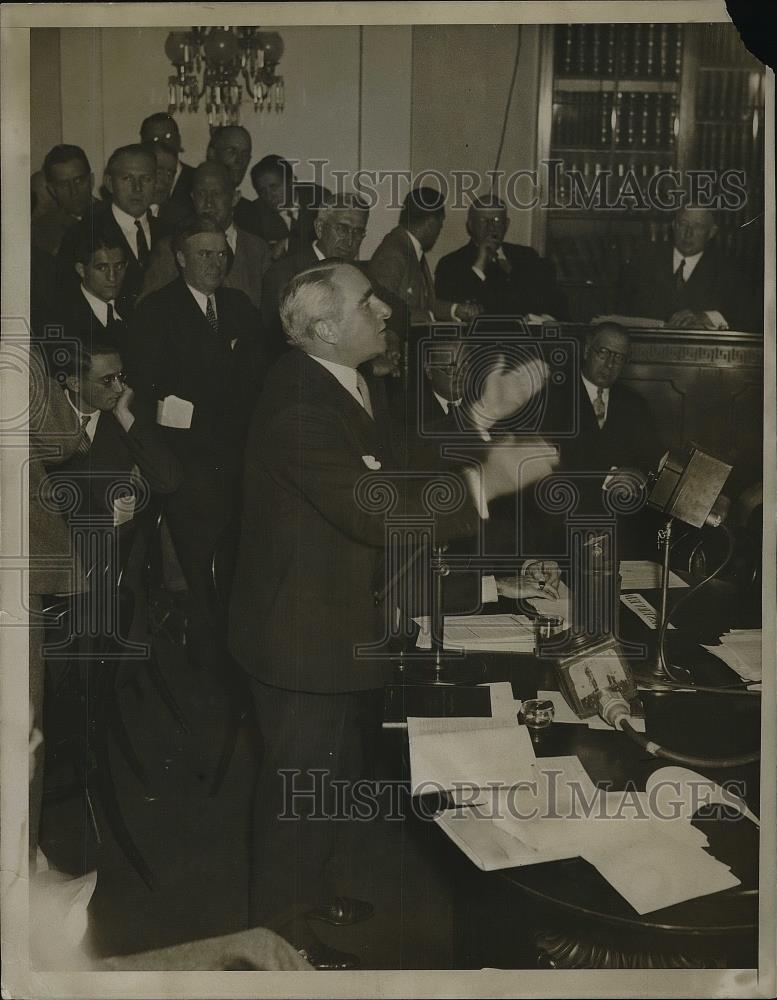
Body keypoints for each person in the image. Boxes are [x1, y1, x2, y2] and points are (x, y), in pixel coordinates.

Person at [228, 261, 556, 967]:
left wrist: (478, 417)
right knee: (299, 793)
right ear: (321, 327)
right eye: (366, 302)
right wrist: (481, 485)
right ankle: (275, 947)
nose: (385, 311)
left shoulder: (345, 383)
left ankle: (308, 895)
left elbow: (400, 461)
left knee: (332, 774)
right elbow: (371, 509)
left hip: (340, 622)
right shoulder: (297, 406)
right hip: (300, 636)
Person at [127, 218, 266, 669]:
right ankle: (211, 665)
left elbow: (255, 379)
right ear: (180, 258)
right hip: (187, 465)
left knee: (240, 563)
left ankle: (237, 654)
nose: (215, 262)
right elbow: (149, 394)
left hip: (238, 459)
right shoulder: (156, 311)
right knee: (201, 566)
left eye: (222, 253)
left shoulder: (240, 306)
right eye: (204, 254)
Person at [139, 161, 271, 310]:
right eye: (201, 194)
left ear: (235, 197)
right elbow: (147, 308)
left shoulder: (257, 249)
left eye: (216, 194)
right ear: (192, 198)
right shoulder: (170, 248)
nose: (209, 203)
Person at [260, 191, 373, 355]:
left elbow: (394, 307)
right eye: (342, 229)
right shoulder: (285, 274)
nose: (349, 241)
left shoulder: (359, 273)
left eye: (357, 232)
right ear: (319, 228)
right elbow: (278, 345)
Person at [620, 205, 761, 333]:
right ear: (674, 226)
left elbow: (749, 319)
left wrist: (707, 317)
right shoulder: (643, 260)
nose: (688, 233)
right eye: (683, 224)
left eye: (698, 226)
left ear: (712, 232)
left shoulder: (730, 270)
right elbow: (620, 308)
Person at [58, 144, 159, 319]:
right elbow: (67, 300)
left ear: (156, 183)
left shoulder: (171, 231)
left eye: (146, 179)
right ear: (110, 183)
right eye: (127, 178)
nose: (137, 188)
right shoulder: (82, 233)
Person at [434, 195, 567, 320]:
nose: (491, 227)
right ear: (470, 225)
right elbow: (457, 309)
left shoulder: (527, 256)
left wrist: (548, 318)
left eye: (497, 220)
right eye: (483, 220)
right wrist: (479, 265)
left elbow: (553, 301)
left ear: (507, 224)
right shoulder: (451, 264)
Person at [368, 188, 482, 327]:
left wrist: (455, 310)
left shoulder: (409, 247)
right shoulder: (393, 253)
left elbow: (424, 301)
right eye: (440, 225)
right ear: (431, 222)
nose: (439, 232)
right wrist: (429, 316)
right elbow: (381, 309)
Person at [248, 154, 326, 260]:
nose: (269, 196)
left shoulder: (319, 198)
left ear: (292, 181)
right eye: (262, 191)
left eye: (274, 187)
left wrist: (287, 243)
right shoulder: (255, 212)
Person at [32, 144, 96, 257]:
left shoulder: (115, 216)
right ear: (52, 190)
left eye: (79, 181)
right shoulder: (41, 231)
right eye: (63, 184)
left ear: (91, 180)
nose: (74, 191)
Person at [139, 112, 195, 205]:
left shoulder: (196, 178)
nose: (162, 142)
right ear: (143, 143)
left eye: (168, 136)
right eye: (154, 139)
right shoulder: (136, 181)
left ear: (179, 139)